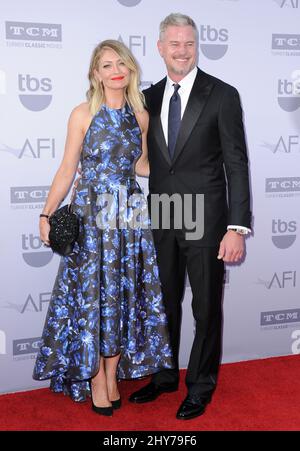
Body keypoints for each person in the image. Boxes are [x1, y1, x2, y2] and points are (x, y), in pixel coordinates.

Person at [33, 39, 173, 417]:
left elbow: (142, 166)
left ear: (130, 70)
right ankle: (95, 377)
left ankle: (111, 376)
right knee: (95, 295)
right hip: (91, 215)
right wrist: (46, 214)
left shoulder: (139, 115)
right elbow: (67, 169)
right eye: (107, 65)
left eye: (122, 64)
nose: (116, 70)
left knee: (122, 295)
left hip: (127, 214)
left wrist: (184, 171)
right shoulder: (82, 114)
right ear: (95, 73)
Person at [129, 13, 252, 420]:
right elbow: (144, 160)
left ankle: (199, 386)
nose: (182, 51)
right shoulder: (146, 97)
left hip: (206, 216)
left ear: (196, 46)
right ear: (160, 47)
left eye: (189, 43)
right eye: (175, 44)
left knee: (204, 308)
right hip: (162, 213)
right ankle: (164, 375)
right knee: (163, 304)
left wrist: (236, 226)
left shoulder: (222, 94)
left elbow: (236, 162)